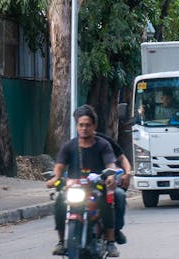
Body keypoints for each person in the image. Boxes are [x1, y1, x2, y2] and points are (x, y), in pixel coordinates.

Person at [47, 105, 120, 257]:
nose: (84, 128)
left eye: (88, 125)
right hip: (74, 189)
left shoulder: (103, 145)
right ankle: (61, 241)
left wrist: (110, 176)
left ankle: (111, 242)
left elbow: (110, 164)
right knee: (60, 200)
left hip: (96, 187)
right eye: (81, 125)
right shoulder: (69, 146)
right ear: (77, 126)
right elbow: (59, 167)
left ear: (94, 126)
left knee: (108, 200)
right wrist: (55, 178)